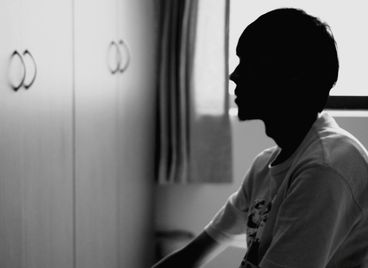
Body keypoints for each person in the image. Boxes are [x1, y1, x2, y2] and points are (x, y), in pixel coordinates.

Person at [152, 8, 368, 268]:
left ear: (293, 73)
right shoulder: (265, 166)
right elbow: (198, 250)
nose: (234, 75)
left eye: (249, 62)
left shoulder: (326, 168)